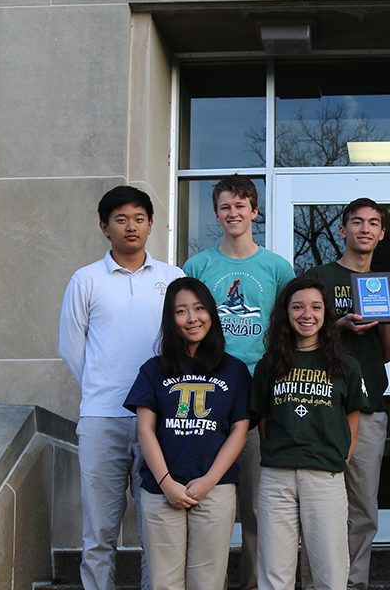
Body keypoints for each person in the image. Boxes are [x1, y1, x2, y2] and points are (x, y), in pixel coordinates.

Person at [59, 185, 184, 590]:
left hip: (163, 421)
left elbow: (183, 344)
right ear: (104, 227)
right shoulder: (86, 280)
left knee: (156, 530)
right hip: (103, 419)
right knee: (99, 531)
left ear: (151, 225)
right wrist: (103, 388)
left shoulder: (173, 278)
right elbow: (72, 348)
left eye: (139, 218)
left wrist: (155, 400)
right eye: (121, 219)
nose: (131, 226)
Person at [183, 174, 295, 590]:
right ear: (216, 214)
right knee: (201, 498)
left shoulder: (276, 267)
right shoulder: (198, 266)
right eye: (225, 207)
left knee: (255, 506)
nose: (233, 213)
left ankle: (252, 583)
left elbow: (288, 330)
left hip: (253, 399)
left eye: (241, 206)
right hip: (203, 398)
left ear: (254, 211)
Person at [124, 277, 250, 590]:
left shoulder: (234, 370)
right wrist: (167, 483)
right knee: (163, 583)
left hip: (215, 488)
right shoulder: (153, 370)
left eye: (199, 308)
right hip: (161, 490)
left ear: (211, 313)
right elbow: (145, 430)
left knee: (207, 583)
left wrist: (209, 481)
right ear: (171, 319)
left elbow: (239, 430)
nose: (192, 318)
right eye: (181, 311)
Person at [303, 198, 390, 590]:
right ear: (342, 230)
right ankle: (316, 582)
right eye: (356, 222)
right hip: (320, 407)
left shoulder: (381, 282)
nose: (364, 229)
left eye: (373, 223)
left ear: (381, 234)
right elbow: (300, 335)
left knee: (363, 506)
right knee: (318, 506)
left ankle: (353, 582)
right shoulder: (319, 277)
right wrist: (338, 324)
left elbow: (389, 351)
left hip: (369, 405)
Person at [251, 276, 369, 590]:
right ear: (285, 313)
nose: (307, 314)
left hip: (324, 474)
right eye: (298, 307)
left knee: (330, 571)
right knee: (275, 573)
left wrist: (345, 454)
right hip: (277, 476)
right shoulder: (269, 365)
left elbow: (353, 413)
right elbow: (263, 417)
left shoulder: (345, 365)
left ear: (326, 313)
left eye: (316, 307)